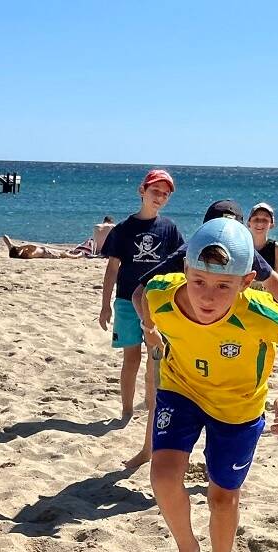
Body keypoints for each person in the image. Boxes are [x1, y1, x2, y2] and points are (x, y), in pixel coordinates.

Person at [143, 218, 278, 552]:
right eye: (199, 281)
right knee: (163, 476)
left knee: (222, 497)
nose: (207, 295)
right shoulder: (162, 294)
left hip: (237, 408)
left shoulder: (258, 313)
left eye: (223, 286)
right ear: (185, 270)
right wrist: (149, 329)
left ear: (246, 281)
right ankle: (187, 551)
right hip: (181, 389)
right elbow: (144, 294)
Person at [128, 199, 278, 469]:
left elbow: (273, 280)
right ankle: (148, 450)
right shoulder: (190, 253)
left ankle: (217, 468)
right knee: (159, 391)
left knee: (225, 409)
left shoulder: (240, 251)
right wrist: (151, 329)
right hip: (178, 341)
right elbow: (141, 291)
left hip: (231, 335)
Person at [98, 168, 182, 426]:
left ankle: (151, 403)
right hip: (125, 300)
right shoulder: (123, 229)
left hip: (156, 302)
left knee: (155, 357)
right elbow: (112, 269)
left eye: (165, 194)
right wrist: (105, 306)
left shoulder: (169, 228)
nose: (160, 197)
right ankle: (126, 410)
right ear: (142, 191)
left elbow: (179, 266)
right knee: (131, 358)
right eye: (155, 191)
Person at [248, 202, 278, 275]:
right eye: (256, 219)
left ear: (272, 225)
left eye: (265, 220)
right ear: (248, 223)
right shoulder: (243, 245)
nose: (260, 223)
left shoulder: (276, 248)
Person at [1, 234, 92, 260]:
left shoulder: (15, 252)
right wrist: (21, 247)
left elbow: (5, 237)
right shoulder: (28, 253)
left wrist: (12, 245)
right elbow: (32, 246)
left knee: (64, 252)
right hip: (47, 253)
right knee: (64, 254)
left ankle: (74, 253)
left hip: (46, 251)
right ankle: (79, 255)